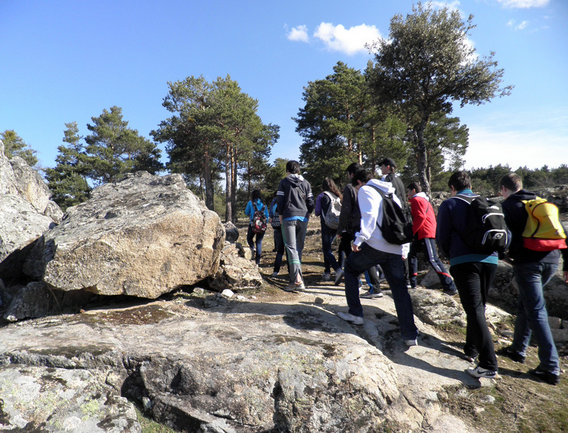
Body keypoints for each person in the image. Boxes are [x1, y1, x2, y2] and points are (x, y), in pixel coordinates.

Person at [499, 173, 568, 385]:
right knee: (526, 303)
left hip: (528, 263)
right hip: (552, 260)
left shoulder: (509, 205)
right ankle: (518, 349)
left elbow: (504, 235)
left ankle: (550, 367)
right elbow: (563, 232)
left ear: (504, 189)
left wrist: (504, 255)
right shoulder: (541, 203)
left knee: (536, 310)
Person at [337, 169, 418, 346]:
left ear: (359, 183)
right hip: (395, 247)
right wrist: (404, 249)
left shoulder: (366, 190)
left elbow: (369, 215)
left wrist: (360, 239)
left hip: (376, 244)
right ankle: (410, 335)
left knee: (351, 268)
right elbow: (403, 221)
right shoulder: (392, 193)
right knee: (399, 289)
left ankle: (355, 314)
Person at [436, 171, 499, 379]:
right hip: (490, 260)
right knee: (478, 307)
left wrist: (447, 255)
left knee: (473, 310)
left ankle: (488, 363)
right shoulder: (485, 202)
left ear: (452, 188)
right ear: (469, 185)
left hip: (464, 261)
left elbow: (442, 235)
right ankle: (471, 348)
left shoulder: (450, 204)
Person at [336, 163, 383, 298]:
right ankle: (367, 283)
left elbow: (345, 211)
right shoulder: (372, 187)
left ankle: (373, 287)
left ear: (352, 174)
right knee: (367, 255)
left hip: (357, 227)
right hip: (372, 225)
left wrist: (340, 229)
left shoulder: (350, 188)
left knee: (363, 257)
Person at [406, 182, 457, 295]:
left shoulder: (416, 200)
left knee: (433, 259)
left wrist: (412, 232)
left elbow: (421, 217)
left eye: (408, 191)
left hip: (425, 232)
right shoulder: (425, 200)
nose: (407, 194)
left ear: (413, 190)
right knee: (412, 255)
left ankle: (450, 286)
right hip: (425, 232)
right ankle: (411, 282)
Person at [276, 160, 314, 292]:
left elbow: (279, 201)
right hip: (303, 218)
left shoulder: (284, 182)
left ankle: (297, 280)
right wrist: (308, 213)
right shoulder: (306, 183)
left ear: (287, 170)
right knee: (298, 249)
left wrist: (280, 216)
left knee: (291, 248)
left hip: (289, 217)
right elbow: (310, 201)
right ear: (298, 170)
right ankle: (297, 279)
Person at [379, 157, 411, 287]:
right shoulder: (400, 181)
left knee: (390, 246)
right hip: (404, 217)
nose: (380, 169)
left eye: (382, 166)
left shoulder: (385, 180)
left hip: (393, 218)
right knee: (403, 247)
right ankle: (406, 279)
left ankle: (386, 277)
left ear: (388, 167)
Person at [314, 178, 343, 281]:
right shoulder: (337, 195)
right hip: (337, 225)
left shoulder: (322, 196)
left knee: (326, 249)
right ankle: (335, 269)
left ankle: (333, 271)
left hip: (326, 225)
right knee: (331, 248)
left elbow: (317, 212)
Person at [244, 190, 269, 266]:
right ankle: (258, 261)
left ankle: (252, 247)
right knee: (259, 242)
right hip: (262, 226)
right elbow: (267, 216)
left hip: (253, 225)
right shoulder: (264, 205)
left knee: (249, 238)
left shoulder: (250, 203)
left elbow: (246, 212)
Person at [268, 191, 286, 277]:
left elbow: (271, 212)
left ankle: (275, 271)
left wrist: (271, 218)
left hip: (276, 226)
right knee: (290, 250)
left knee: (280, 250)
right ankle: (292, 272)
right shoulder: (287, 199)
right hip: (286, 225)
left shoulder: (274, 200)